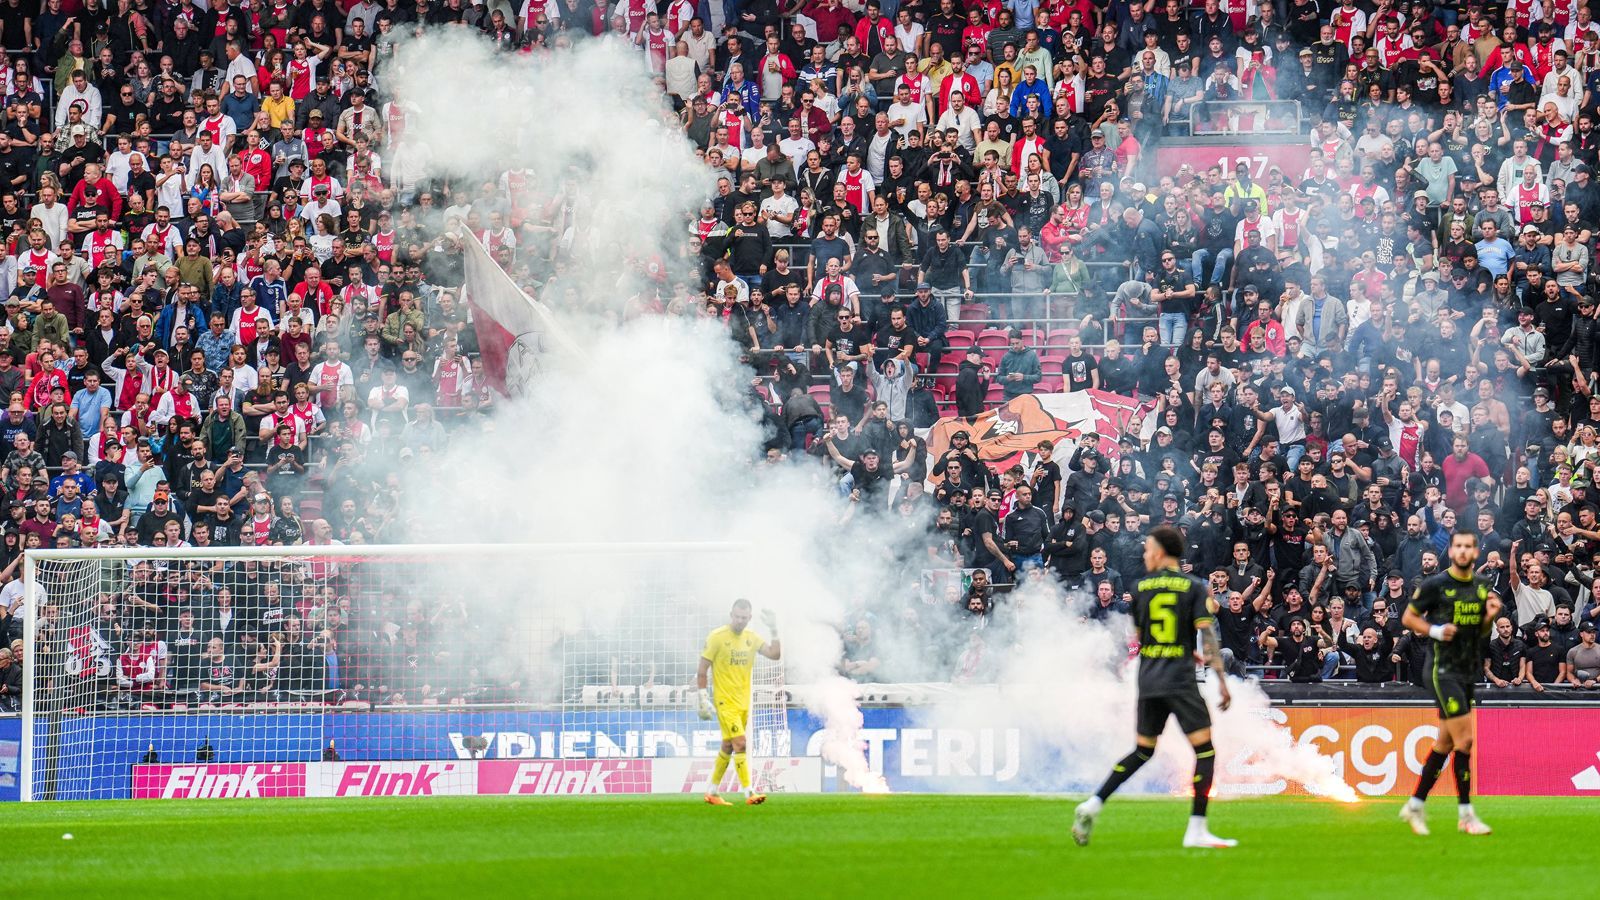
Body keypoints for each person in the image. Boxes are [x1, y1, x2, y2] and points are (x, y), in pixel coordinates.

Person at [1073, 524, 1235, 850]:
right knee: (1205, 750)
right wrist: (1220, 679)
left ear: (1160, 552)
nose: (1145, 554)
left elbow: (1141, 638)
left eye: (1147, 549)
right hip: (1179, 679)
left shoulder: (1140, 587)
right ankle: (1197, 830)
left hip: (1148, 678)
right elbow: (1207, 635)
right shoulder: (1193, 587)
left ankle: (1093, 804)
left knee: (1143, 750)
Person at [1398, 529, 1500, 837]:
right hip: (1442, 669)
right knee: (1465, 741)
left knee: (1445, 743)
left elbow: (1480, 633)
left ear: (1476, 552)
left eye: (1469, 546)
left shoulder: (1483, 587)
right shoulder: (1436, 584)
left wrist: (1489, 618)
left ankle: (1415, 805)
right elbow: (1408, 618)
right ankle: (1466, 815)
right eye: (1459, 546)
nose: (1464, 551)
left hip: (1468, 669)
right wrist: (1437, 631)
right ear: (1452, 551)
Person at [696, 599, 782, 806]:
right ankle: (749, 792)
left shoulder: (751, 638)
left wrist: (774, 629)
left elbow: (775, 655)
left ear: (749, 618)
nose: (740, 621)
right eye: (737, 616)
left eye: (744, 618)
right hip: (725, 702)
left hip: (743, 702)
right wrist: (702, 698)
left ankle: (712, 792)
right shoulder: (717, 637)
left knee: (728, 745)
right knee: (741, 743)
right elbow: (702, 669)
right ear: (731, 614)